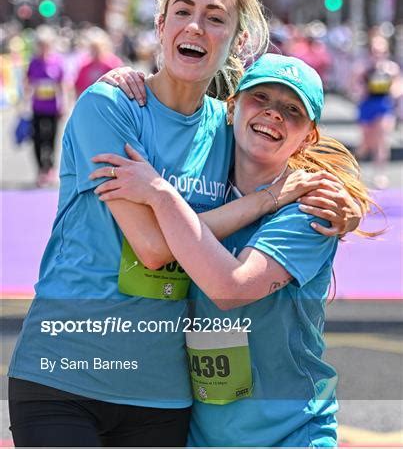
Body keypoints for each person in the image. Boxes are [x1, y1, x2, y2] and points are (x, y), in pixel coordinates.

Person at [8, 0, 359, 447]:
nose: (196, 25)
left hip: (163, 396)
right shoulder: (113, 106)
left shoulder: (226, 126)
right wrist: (262, 202)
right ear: (160, 24)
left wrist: (345, 207)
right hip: (67, 372)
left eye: (215, 17)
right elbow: (153, 246)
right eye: (182, 11)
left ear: (235, 42)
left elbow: (283, 150)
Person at [92, 53, 376, 447]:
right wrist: (119, 80)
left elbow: (232, 288)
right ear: (233, 106)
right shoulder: (202, 186)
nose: (274, 114)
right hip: (202, 434)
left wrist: (159, 194)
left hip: (291, 433)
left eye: (292, 110)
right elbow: (169, 108)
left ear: (308, 135)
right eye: (261, 98)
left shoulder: (309, 207)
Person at [354, 34, 400, 189]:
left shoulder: (391, 68)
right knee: (366, 143)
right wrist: (361, 90)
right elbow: (353, 83)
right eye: (375, 51)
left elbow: (398, 85)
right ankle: (354, 166)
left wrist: (394, 92)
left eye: (381, 52)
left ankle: (380, 174)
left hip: (383, 104)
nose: (378, 55)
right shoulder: (363, 67)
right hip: (367, 105)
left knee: (381, 139)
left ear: (386, 52)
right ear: (370, 52)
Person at [24, 26, 65, 187]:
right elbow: (27, 83)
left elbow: (63, 85)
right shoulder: (33, 62)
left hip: (53, 107)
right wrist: (24, 104)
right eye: (40, 44)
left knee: (51, 139)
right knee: (37, 139)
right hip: (37, 106)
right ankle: (41, 170)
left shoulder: (57, 61)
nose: (43, 47)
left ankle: (51, 169)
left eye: (46, 44)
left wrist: (64, 104)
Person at [74, 27, 122, 99]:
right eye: (92, 48)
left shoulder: (113, 64)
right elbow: (78, 87)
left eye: (98, 48)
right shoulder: (85, 66)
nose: (95, 52)